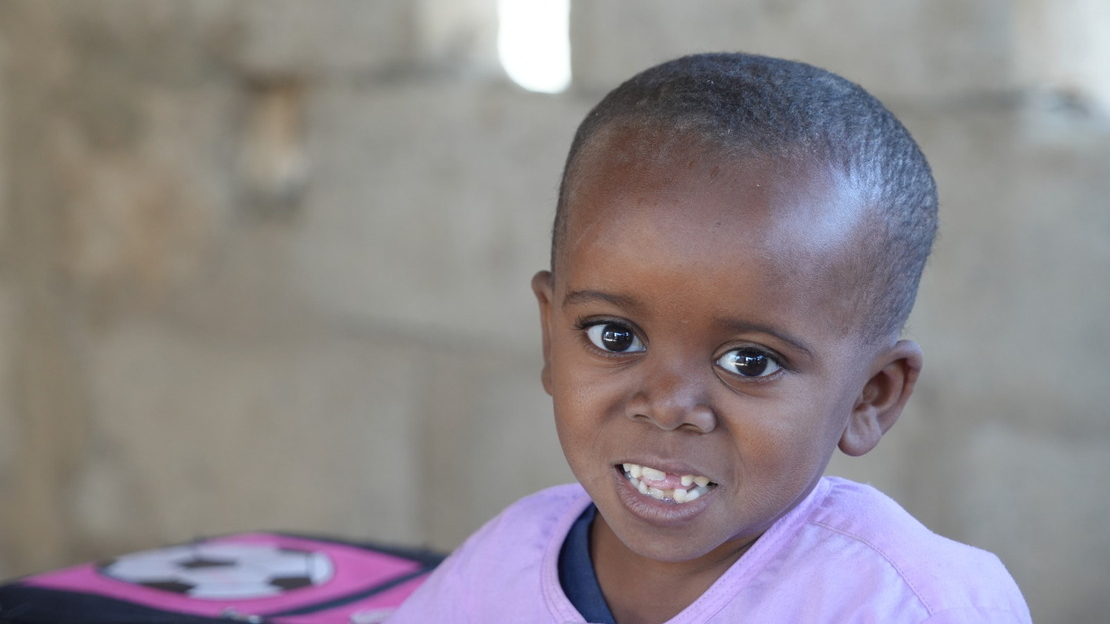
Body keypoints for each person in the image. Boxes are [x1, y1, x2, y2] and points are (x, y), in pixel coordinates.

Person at [388, 52, 1031, 623]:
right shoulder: (503, 567)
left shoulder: (912, 604)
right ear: (551, 336)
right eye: (614, 336)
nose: (668, 404)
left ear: (870, 396)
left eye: (750, 361)